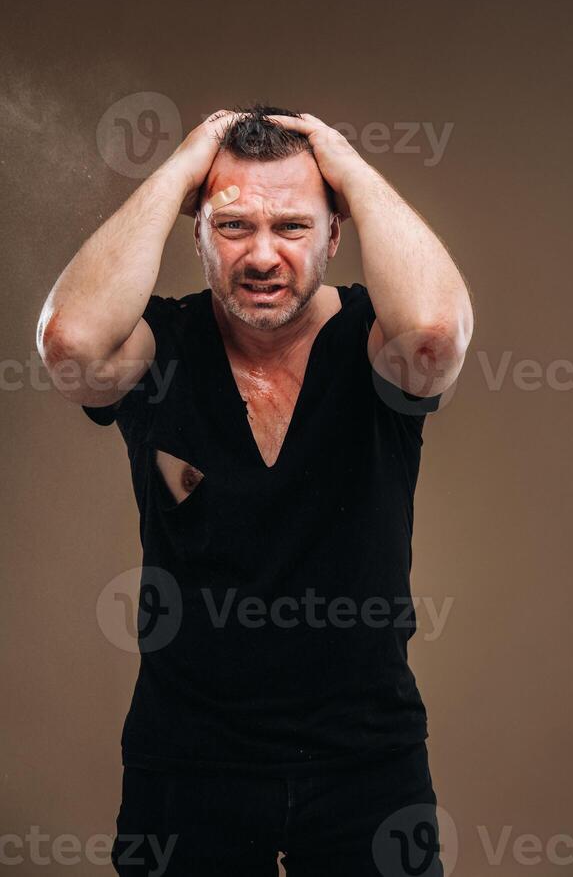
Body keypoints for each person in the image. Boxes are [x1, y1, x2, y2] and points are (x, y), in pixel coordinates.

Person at [37, 105, 473, 876]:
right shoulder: (158, 348)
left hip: (365, 761)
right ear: (196, 234)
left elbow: (436, 334)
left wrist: (344, 160)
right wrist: (185, 161)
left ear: (335, 235)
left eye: (295, 228)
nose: (263, 255)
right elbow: (70, 345)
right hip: (186, 763)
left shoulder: (379, 343)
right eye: (234, 227)